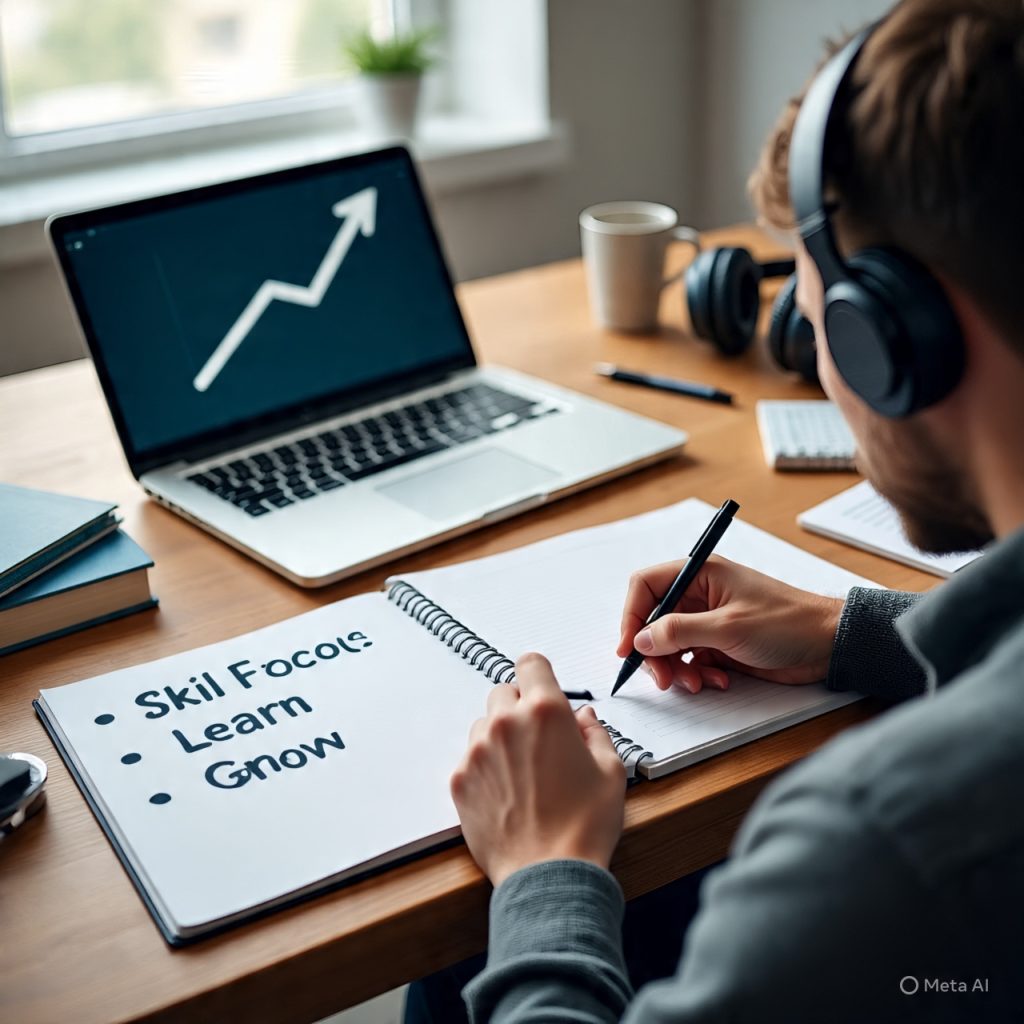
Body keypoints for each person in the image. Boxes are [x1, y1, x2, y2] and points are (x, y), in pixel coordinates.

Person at [431, 1, 1024, 1020]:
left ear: (893, 335)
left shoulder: (884, 843)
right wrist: (853, 633)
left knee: (455, 965)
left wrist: (541, 868)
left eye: (811, 313)